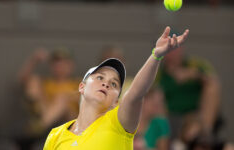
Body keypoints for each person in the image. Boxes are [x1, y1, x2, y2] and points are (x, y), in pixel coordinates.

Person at [43, 26, 189, 150]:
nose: (106, 83)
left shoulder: (118, 122)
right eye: (100, 77)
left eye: (114, 84)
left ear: (116, 101)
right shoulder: (55, 135)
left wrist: (156, 56)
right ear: (82, 86)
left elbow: (136, 94)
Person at [156, 36, 221, 137]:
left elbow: (213, 81)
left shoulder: (195, 64)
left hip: (196, 114)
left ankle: (206, 135)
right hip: (171, 116)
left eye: (174, 48)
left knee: (212, 88)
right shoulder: (159, 72)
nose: (171, 53)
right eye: (168, 48)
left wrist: (194, 75)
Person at [18, 47, 80, 137]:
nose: (60, 67)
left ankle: (40, 125)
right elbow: (22, 80)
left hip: (70, 120)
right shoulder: (47, 83)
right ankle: (39, 120)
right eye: (56, 64)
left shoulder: (77, 83)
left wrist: (70, 97)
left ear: (71, 65)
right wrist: (34, 60)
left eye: (64, 64)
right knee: (33, 81)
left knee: (62, 98)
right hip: (47, 113)